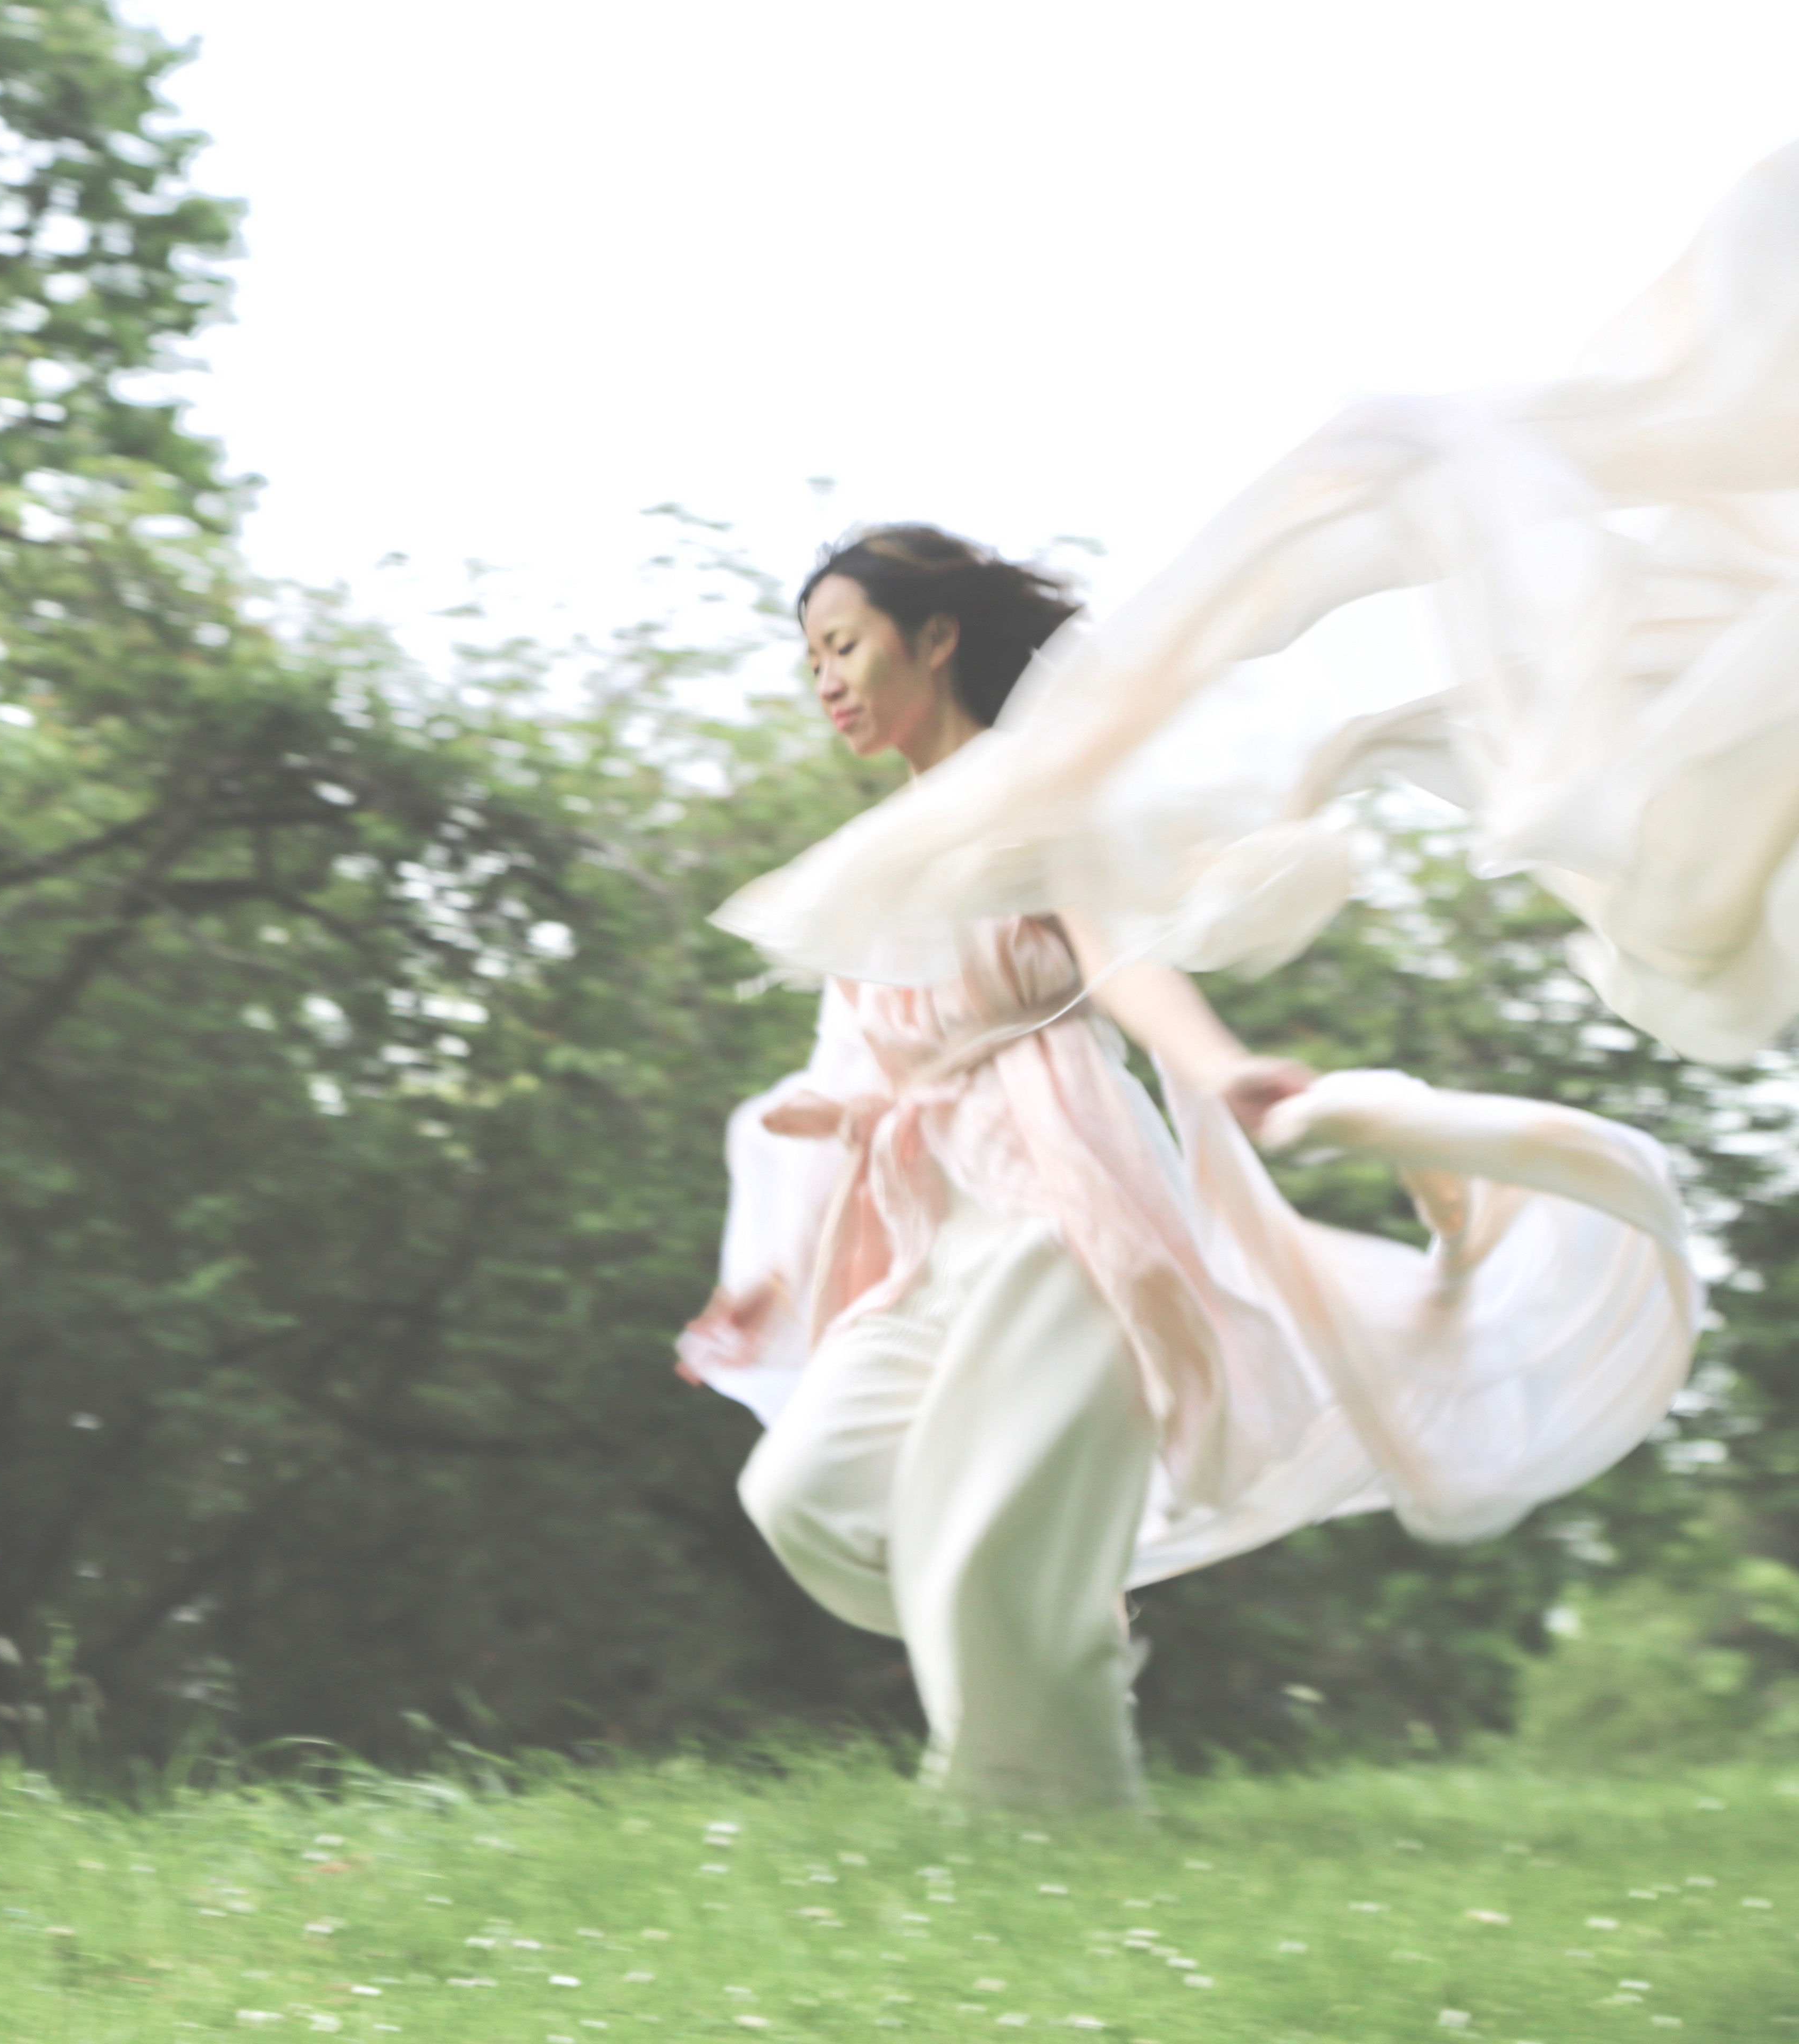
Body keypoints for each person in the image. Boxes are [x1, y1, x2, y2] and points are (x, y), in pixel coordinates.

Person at [676, 525, 1702, 1812]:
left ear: (933, 639)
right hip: (926, 1231)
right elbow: (845, 1077)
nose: (825, 679)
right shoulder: (884, 853)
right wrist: (771, 1276)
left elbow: (1122, 959)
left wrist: (1218, 1067)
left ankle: (1040, 1819)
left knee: (991, 1537)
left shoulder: (1035, 796)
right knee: (806, 1495)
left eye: (842, 645)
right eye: (811, 660)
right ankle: (1062, 1643)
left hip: (1061, 1199)